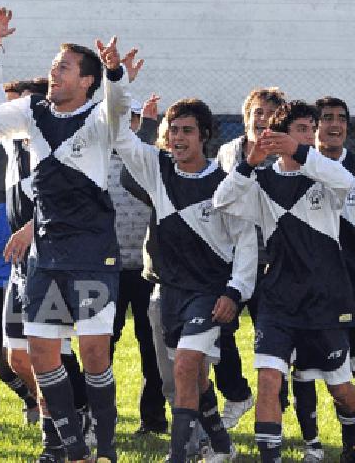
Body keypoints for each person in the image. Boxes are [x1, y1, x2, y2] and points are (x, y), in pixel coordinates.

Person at [0, 34, 136, 463]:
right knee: (40, 353)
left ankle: (106, 450)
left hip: (92, 252)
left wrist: (116, 72)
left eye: (65, 67)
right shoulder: (32, 112)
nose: (54, 71)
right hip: (45, 253)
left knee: (94, 354)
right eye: (54, 65)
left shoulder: (99, 116)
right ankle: (73, 451)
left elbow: (118, 107)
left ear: (88, 80)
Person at [213, 100, 355, 463]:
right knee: (269, 379)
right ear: (279, 135)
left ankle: (354, 442)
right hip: (278, 302)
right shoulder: (262, 183)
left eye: (310, 132)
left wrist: (299, 151)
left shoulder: (325, 177)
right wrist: (248, 164)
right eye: (300, 130)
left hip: (325, 301)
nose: (308, 138)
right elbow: (222, 201)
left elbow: (346, 180)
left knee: (341, 389)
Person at [113, 97, 256, 462]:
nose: (178, 137)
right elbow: (120, 137)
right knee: (189, 378)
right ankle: (222, 446)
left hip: (210, 293)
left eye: (187, 131)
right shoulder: (157, 169)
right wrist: (117, 80)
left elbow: (247, 245)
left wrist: (234, 292)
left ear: (204, 136)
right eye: (173, 130)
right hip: (167, 293)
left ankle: (179, 455)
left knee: (187, 364)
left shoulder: (226, 185)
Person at [288, 97, 355, 461]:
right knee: (307, 369)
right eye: (326, 118)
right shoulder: (297, 168)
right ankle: (314, 446)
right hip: (310, 292)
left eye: (342, 119)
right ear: (313, 126)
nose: (334, 125)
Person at [213, 87, 288, 428]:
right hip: (232, 262)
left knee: (272, 340)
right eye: (257, 112)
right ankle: (237, 394)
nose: (262, 119)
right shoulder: (227, 153)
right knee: (217, 331)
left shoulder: (286, 157)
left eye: (270, 114)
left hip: (275, 264)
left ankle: (277, 410)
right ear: (246, 118)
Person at [106, 56, 168, 438]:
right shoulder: (95, 160)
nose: (126, 124)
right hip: (107, 268)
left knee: (152, 347)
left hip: (146, 269)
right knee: (102, 345)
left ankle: (153, 419)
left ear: (137, 123)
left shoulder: (151, 162)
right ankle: (101, 415)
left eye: (133, 119)